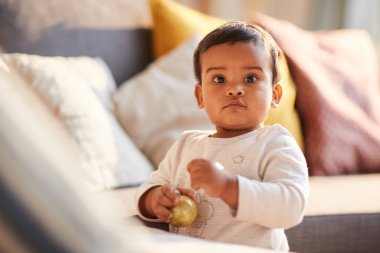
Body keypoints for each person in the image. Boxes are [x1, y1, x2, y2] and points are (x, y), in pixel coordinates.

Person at [135, 21, 309, 251]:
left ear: (275, 94)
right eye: (219, 79)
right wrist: (155, 199)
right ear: (200, 96)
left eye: (250, 78)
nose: (234, 89)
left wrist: (229, 187)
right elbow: (150, 187)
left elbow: (291, 207)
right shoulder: (186, 144)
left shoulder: (275, 143)